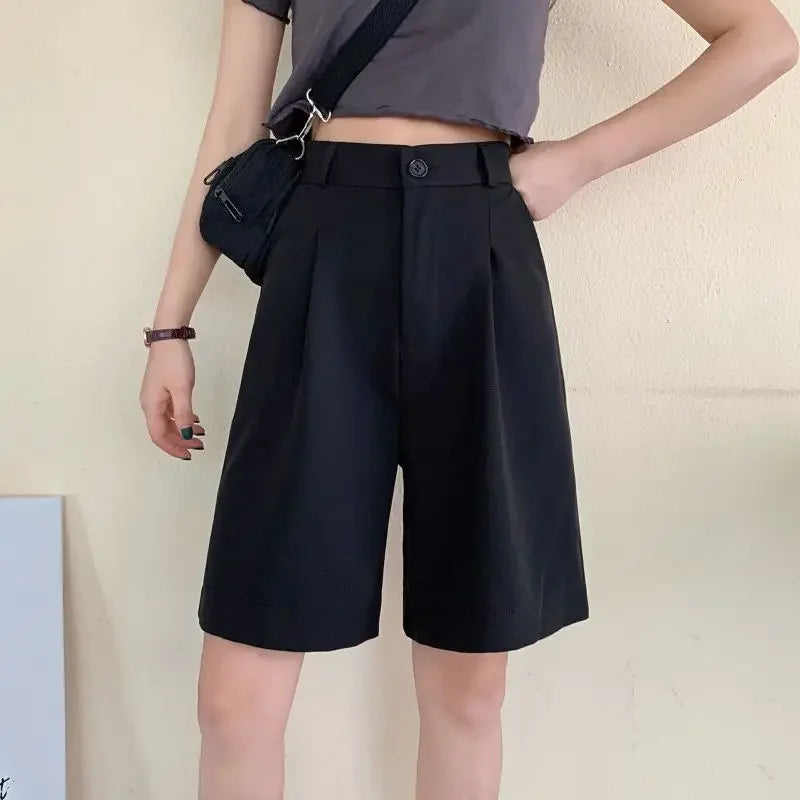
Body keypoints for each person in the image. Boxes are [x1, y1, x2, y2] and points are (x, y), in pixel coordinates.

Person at [139, 1, 797, 798]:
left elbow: (762, 40)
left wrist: (580, 160)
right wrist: (169, 326)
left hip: (478, 249)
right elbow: (232, 125)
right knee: (235, 699)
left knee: (469, 691)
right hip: (324, 249)